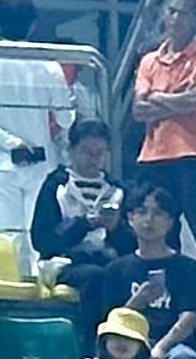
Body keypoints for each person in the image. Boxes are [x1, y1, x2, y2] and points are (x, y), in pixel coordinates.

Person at [0, 0, 75, 267]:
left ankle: (11, 297)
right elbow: (65, 119)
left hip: (2, 162)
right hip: (41, 162)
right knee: (38, 238)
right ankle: (37, 299)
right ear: (33, 23)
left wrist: (10, 141)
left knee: (4, 238)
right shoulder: (48, 66)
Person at [81, 187, 196, 359]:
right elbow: (110, 322)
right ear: (130, 218)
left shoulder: (189, 269)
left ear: (170, 222)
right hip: (128, 343)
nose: (149, 220)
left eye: (158, 213)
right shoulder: (115, 270)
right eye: (141, 212)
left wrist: (161, 347)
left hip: (173, 345)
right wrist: (135, 304)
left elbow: (189, 317)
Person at [127, 0, 196, 274]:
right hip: (153, 155)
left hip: (193, 153)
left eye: (183, 13)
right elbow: (138, 110)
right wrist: (178, 98)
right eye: (171, 11)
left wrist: (158, 98)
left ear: (195, 19)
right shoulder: (149, 61)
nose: (176, 19)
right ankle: (166, 280)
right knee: (160, 227)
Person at [27, 120, 127, 300]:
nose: (93, 159)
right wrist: (83, 225)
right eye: (87, 152)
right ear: (71, 151)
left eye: (100, 153)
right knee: (95, 276)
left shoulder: (117, 190)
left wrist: (115, 228)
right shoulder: (57, 185)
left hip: (107, 259)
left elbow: (130, 243)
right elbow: (42, 239)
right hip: (65, 262)